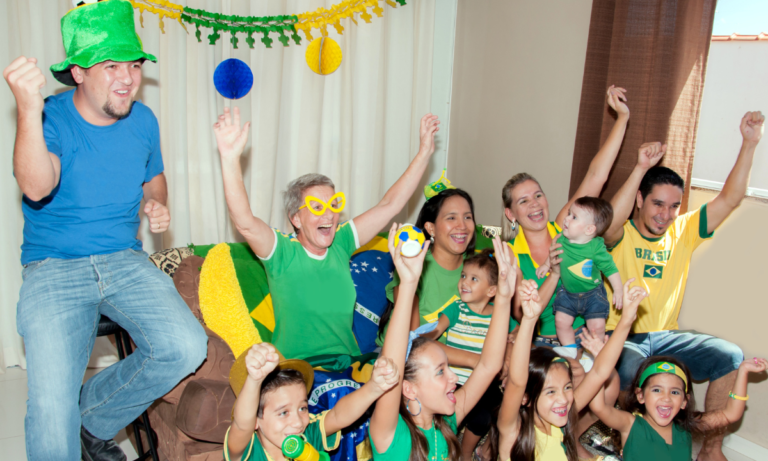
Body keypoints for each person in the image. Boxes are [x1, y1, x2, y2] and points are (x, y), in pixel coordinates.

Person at [3, 1, 207, 460]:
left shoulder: (143, 120)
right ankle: (71, 423)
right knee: (51, 413)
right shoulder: (51, 118)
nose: (127, 78)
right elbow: (36, 187)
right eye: (111, 65)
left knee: (185, 346)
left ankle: (93, 419)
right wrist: (27, 111)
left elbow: (154, 179)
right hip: (54, 267)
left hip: (123, 260)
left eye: (133, 64)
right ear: (77, 72)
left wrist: (158, 203)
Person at [213, 105, 440, 361]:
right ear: (295, 218)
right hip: (300, 372)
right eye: (316, 207)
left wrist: (424, 152)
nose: (329, 215)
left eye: (334, 205)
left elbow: (390, 206)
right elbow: (244, 223)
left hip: (347, 363)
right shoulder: (281, 252)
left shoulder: (341, 242)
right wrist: (230, 159)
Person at [601, 111, 764, 461]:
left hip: (666, 337)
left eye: (674, 206)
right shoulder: (619, 234)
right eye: (658, 203)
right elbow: (610, 222)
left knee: (731, 356)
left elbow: (730, 198)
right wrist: (640, 168)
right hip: (623, 336)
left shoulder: (683, 231)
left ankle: (711, 449)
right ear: (640, 200)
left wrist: (749, 142)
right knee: (630, 370)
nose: (666, 213)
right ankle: (627, 444)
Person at [368, 225, 515, 460]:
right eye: (440, 371)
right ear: (409, 388)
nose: (454, 377)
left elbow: (488, 366)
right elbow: (393, 360)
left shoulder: (447, 423)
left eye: (447, 367)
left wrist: (504, 299)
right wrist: (407, 285)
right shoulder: (390, 434)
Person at [491, 278, 646, 461]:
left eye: (568, 387)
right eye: (550, 391)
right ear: (526, 398)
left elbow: (598, 373)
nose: (563, 399)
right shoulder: (513, 429)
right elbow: (517, 382)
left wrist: (626, 320)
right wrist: (529, 320)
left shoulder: (558, 419)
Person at [226, 342, 399, 461]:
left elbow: (338, 415)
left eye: (302, 408)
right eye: (283, 412)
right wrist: (254, 380)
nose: (297, 422)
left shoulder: (306, 435)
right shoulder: (249, 451)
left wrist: (374, 388)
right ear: (256, 420)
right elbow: (242, 425)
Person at [423, 248, 520, 460]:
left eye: (474, 279)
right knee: (455, 414)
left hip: (485, 382)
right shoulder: (456, 308)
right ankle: (451, 448)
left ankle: (467, 452)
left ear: (492, 291)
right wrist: (422, 336)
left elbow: (515, 330)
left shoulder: (498, 314)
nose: (464, 282)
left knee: (493, 414)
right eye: (464, 276)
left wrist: (510, 349)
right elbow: (437, 330)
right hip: (455, 381)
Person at [589, 356, 767, 461]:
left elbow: (731, 414)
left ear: (684, 401)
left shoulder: (686, 426)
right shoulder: (630, 424)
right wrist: (600, 360)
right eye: (657, 390)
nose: (666, 398)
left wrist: (743, 371)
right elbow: (598, 406)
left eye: (674, 392)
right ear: (640, 395)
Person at [535, 197, 622, 360]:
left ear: (589, 230)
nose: (566, 219)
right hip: (567, 293)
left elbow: (610, 269)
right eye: (569, 214)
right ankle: (569, 349)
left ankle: (594, 353)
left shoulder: (596, 248)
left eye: (574, 217)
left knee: (596, 327)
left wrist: (618, 290)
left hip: (592, 295)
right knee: (561, 321)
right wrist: (546, 265)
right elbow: (553, 252)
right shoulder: (560, 238)